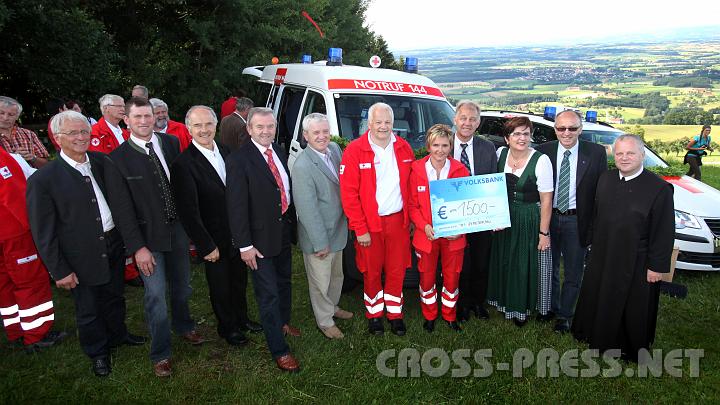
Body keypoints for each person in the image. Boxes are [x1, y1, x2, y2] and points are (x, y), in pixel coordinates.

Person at [26, 111, 146, 376]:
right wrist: (59, 270)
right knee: (88, 307)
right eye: (73, 133)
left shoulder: (103, 162)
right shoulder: (44, 180)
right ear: (58, 139)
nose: (81, 137)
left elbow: (121, 203)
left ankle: (118, 335)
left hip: (112, 243)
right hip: (79, 255)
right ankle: (98, 352)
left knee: (115, 296)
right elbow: (43, 232)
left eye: (83, 131)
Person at [105, 97, 206, 377]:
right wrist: (138, 248)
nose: (144, 121)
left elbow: (183, 189)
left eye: (147, 116)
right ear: (127, 119)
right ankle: (161, 353)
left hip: (177, 231)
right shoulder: (118, 159)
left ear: (155, 116)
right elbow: (122, 211)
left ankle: (185, 326)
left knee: (183, 286)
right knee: (156, 297)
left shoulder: (170, 144)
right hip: (147, 240)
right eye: (137, 117)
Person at [572, 134, 674, 363]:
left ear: (642, 155)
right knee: (599, 295)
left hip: (636, 261)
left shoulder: (659, 189)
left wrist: (656, 267)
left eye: (630, 153)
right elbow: (596, 216)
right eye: (619, 153)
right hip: (603, 253)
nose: (624, 158)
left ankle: (627, 348)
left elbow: (664, 232)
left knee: (631, 305)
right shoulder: (605, 179)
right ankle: (593, 335)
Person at [170, 105, 262, 347]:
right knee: (220, 286)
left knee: (239, 279)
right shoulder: (183, 163)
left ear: (216, 125)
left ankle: (242, 319)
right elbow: (187, 211)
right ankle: (228, 327)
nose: (204, 130)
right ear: (189, 129)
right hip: (212, 238)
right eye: (198, 125)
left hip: (237, 233)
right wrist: (205, 245)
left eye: (208, 124)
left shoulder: (226, 150)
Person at [226, 107, 301, 372]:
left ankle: (283, 322)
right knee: (267, 294)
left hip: (280, 232)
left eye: (270, 126)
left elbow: (283, 188)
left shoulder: (277, 150)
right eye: (260, 127)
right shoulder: (239, 160)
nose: (266, 131)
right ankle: (279, 350)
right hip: (257, 242)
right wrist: (244, 245)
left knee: (284, 283)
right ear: (249, 129)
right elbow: (235, 207)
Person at [339, 102, 413, 336]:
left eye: (387, 122)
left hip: (398, 222)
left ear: (393, 124)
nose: (383, 126)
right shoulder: (354, 150)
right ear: (369, 124)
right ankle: (374, 315)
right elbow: (348, 194)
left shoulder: (403, 148)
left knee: (397, 269)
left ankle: (395, 313)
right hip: (369, 224)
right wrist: (360, 228)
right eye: (378, 122)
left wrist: (411, 218)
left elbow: (411, 185)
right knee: (371, 271)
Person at [535, 110, 607, 333]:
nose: (566, 133)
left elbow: (601, 192)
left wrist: (596, 226)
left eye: (572, 128)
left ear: (581, 129)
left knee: (574, 272)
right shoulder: (543, 151)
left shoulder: (595, 153)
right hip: (549, 218)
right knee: (550, 267)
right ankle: (551, 307)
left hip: (577, 221)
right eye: (561, 128)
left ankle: (565, 315)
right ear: (555, 129)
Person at [487, 117, 554, 327]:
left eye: (526, 133)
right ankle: (503, 301)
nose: (522, 138)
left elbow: (546, 200)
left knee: (521, 263)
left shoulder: (541, 161)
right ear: (507, 138)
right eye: (516, 133)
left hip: (527, 217)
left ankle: (520, 308)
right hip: (503, 216)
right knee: (504, 259)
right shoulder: (500, 154)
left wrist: (544, 233)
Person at [290, 113, 352, 340]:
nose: (322, 136)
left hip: (338, 228)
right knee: (320, 281)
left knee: (336, 276)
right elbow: (307, 210)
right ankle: (325, 321)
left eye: (325, 131)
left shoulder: (335, 149)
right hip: (320, 236)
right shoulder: (303, 166)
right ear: (306, 136)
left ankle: (332, 307)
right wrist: (320, 242)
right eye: (316, 132)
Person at [0, 146, 66, 353]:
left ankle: (16, 330)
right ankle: (37, 333)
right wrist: (35, 227)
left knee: (6, 284)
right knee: (31, 282)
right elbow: (13, 195)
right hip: (15, 233)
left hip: (6, 233)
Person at [408, 124, 469, 333]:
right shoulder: (416, 169)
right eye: (436, 145)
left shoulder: (461, 171)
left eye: (444, 145)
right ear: (428, 146)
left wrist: (461, 229)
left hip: (454, 236)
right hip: (426, 235)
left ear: (450, 147)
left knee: (452, 277)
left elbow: (466, 206)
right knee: (426, 277)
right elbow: (412, 206)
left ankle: (450, 315)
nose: (440, 150)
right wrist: (423, 226)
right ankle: (430, 315)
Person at [451, 100, 498, 322]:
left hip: (481, 215)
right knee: (460, 263)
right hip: (452, 216)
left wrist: (496, 214)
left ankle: (477, 302)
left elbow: (493, 184)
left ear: (478, 123)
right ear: (455, 120)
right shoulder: (443, 144)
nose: (467, 123)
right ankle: (460, 304)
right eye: (463, 118)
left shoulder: (487, 148)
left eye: (472, 119)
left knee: (480, 261)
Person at [88, 94, 140, 287]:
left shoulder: (123, 131)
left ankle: (131, 268)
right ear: (105, 109)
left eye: (123, 105)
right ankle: (126, 271)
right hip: (111, 188)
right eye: (118, 105)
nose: (122, 108)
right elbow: (100, 163)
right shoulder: (96, 133)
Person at [0, 96, 50, 169]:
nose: (5, 118)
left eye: (11, 114)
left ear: (17, 117)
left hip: (30, 179)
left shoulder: (29, 134)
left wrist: (32, 158)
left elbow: (47, 165)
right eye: (1, 113)